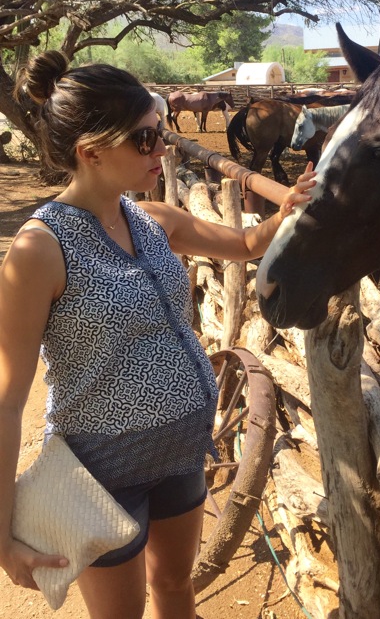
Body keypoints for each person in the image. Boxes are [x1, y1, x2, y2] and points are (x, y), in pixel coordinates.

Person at [0, 50, 316, 619]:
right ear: (91, 150)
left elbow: (245, 244)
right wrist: (1, 537)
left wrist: (289, 209)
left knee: (174, 589)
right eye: (145, 140)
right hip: (102, 473)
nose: (163, 150)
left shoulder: (151, 220)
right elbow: (6, 400)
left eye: (161, 133)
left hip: (181, 453)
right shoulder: (39, 249)